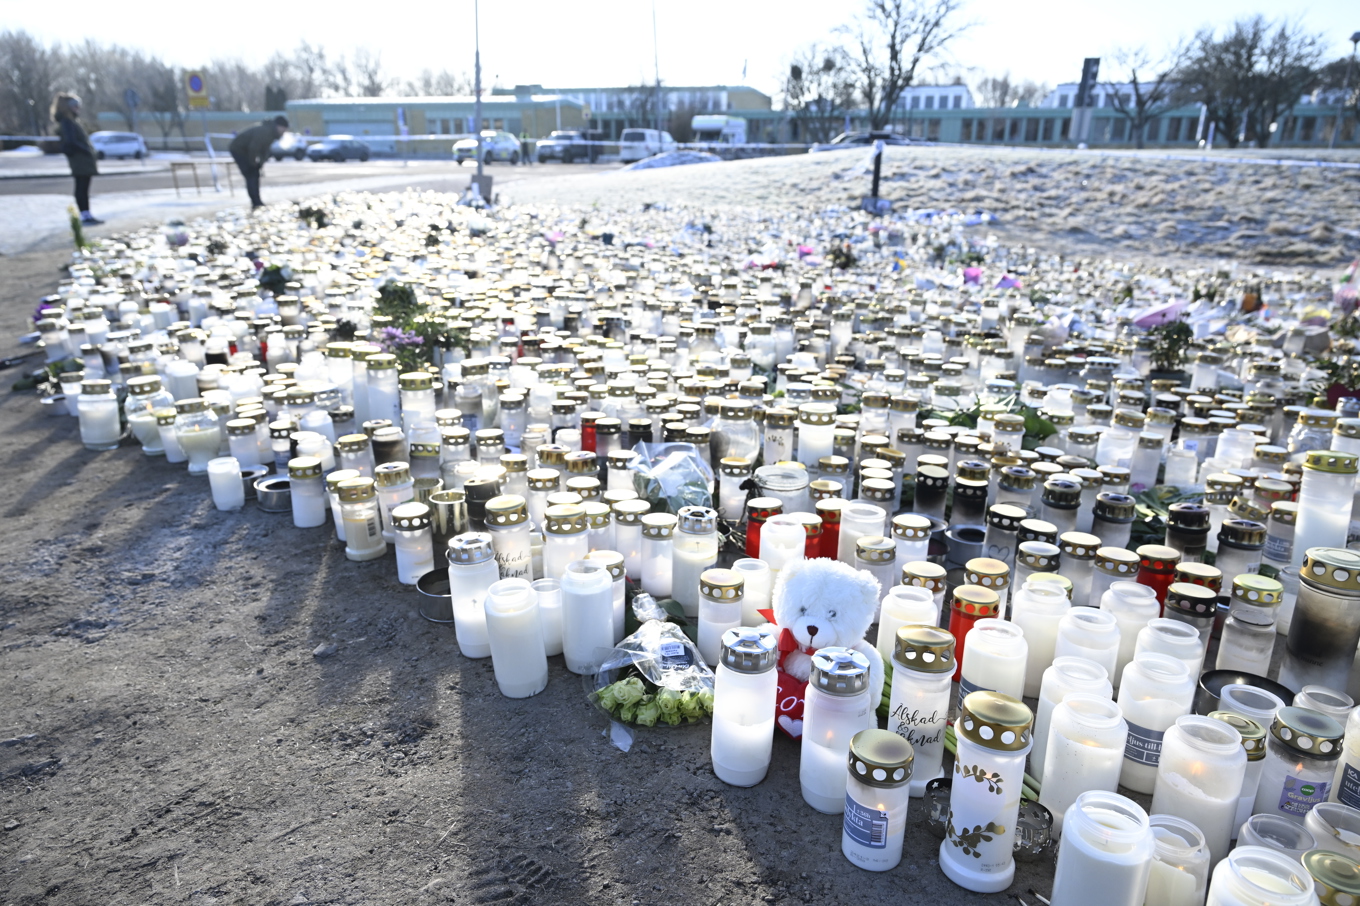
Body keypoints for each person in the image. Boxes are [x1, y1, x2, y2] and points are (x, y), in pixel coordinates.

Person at [52, 94, 101, 226]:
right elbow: (71, 141)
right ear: (68, 108)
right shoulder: (67, 122)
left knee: (83, 187)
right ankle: (85, 215)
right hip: (80, 160)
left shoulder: (70, 121)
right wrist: (87, 151)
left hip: (81, 159)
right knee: (82, 187)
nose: (78, 108)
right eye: (75, 106)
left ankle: (86, 213)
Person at [229, 115, 288, 210]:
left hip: (246, 151)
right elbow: (254, 147)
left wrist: (260, 164)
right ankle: (255, 202)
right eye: (283, 129)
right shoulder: (265, 131)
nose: (284, 132)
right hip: (238, 149)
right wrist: (253, 164)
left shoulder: (271, 133)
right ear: (278, 126)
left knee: (254, 174)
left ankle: (257, 201)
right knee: (251, 175)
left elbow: (264, 150)